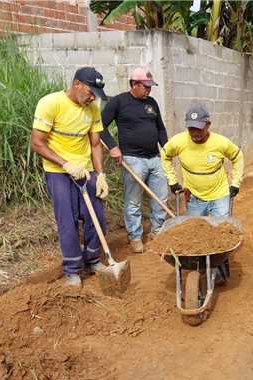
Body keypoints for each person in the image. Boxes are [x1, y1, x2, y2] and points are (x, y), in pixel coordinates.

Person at [30, 67, 109, 287]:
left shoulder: (93, 109)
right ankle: (73, 270)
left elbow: (95, 144)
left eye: (96, 94)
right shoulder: (50, 103)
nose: (93, 97)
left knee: (97, 218)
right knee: (68, 220)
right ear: (77, 85)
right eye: (91, 92)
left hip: (85, 171)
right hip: (59, 172)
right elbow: (37, 143)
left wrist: (100, 174)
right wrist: (65, 164)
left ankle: (93, 259)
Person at [101, 67, 169, 253]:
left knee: (161, 197)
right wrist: (113, 148)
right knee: (133, 201)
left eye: (150, 86)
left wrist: (167, 149)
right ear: (134, 84)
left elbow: (161, 129)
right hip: (132, 160)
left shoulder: (152, 103)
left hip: (154, 158)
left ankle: (158, 231)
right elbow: (100, 127)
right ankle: (135, 237)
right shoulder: (118, 102)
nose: (149, 90)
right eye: (146, 86)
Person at [161, 103, 244, 218]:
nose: (195, 133)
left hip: (219, 195)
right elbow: (165, 155)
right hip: (194, 197)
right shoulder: (178, 142)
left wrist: (235, 183)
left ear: (208, 125)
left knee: (221, 229)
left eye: (199, 129)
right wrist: (172, 181)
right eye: (191, 129)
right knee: (195, 230)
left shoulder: (221, 142)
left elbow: (238, 157)